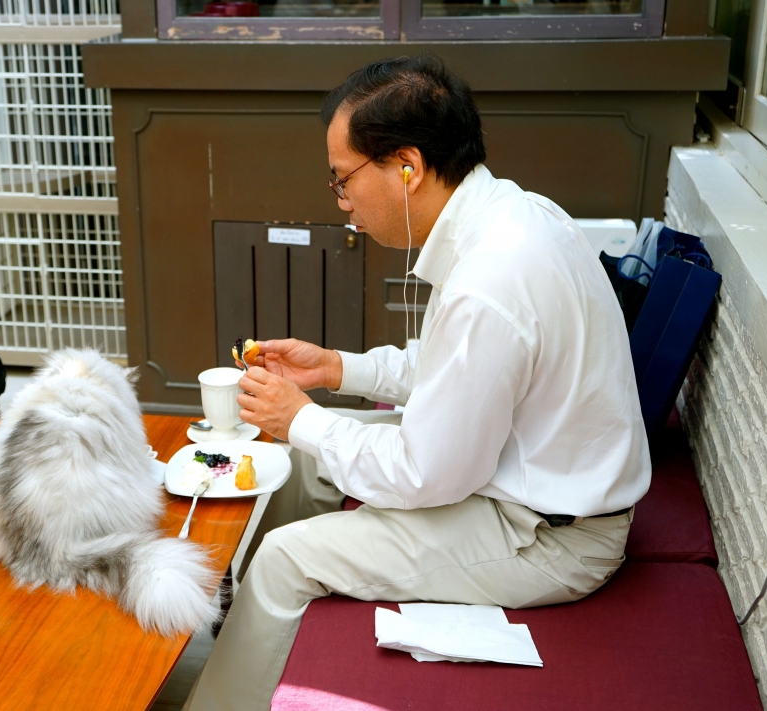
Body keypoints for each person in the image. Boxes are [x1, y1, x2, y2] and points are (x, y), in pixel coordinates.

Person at [184, 54, 650, 711]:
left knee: (286, 557)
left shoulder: (491, 279)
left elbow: (425, 473)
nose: (342, 200)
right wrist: (336, 368)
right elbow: (447, 369)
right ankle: (256, 638)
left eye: (343, 178)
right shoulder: (514, 214)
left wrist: (301, 416)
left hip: (551, 539)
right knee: (302, 460)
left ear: (408, 165)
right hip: (522, 485)